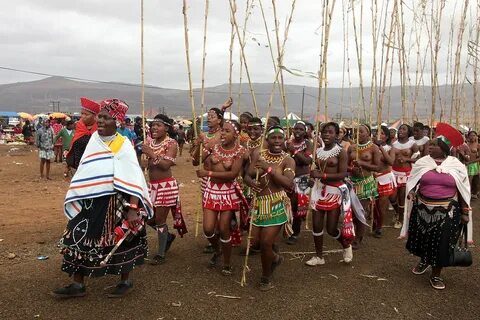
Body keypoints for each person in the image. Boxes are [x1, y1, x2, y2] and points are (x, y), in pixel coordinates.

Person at [53, 99, 153, 299]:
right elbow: (85, 170)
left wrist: (133, 208)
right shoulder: (93, 141)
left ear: (117, 121)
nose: (100, 120)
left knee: (122, 239)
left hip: (116, 202)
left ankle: (125, 281)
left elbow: (133, 176)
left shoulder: (123, 144)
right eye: (100, 116)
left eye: (106, 117)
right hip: (88, 200)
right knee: (78, 236)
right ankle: (77, 284)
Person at [400, 124, 470, 290]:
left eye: (434, 145)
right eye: (430, 145)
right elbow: (413, 180)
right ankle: (424, 261)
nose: (429, 147)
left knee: (442, 244)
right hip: (422, 209)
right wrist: (412, 192)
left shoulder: (457, 165)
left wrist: (465, 211)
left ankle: (436, 274)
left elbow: (463, 189)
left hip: (447, 211)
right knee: (424, 239)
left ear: (443, 148)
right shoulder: (423, 162)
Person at [245, 125, 295, 290]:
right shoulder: (258, 154)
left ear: (284, 140)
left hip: (276, 204)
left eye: (280, 138)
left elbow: (288, 184)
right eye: (273, 138)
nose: (277, 141)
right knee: (256, 242)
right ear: (267, 139)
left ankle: (265, 277)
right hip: (259, 204)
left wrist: (269, 169)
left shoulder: (288, 159)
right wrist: (250, 182)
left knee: (266, 242)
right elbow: (247, 175)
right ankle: (275, 259)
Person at [194, 119, 247, 276]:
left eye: (227, 131)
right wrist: (198, 146)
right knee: (208, 229)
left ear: (235, 135)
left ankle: (227, 263)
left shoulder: (240, 151)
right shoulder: (213, 147)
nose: (223, 133)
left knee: (224, 228)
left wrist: (208, 173)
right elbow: (197, 161)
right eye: (222, 130)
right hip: (212, 191)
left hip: (227, 193)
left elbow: (232, 174)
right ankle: (218, 251)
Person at [306, 122, 353, 266]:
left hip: (334, 192)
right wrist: (312, 179)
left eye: (330, 132)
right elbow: (314, 171)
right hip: (318, 191)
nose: (326, 135)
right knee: (316, 225)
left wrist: (323, 176)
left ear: (337, 134)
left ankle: (346, 245)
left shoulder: (341, 152)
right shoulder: (318, 151)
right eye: (324, 132)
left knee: (331, 229)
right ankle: (319, 257)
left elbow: (343, 174)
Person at [142, 114, 187, 265]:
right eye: (153, 125)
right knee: (147, 218)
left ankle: (161, 254)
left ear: (166, 128)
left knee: (160, 220)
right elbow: (144, 165)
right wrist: (141, 159)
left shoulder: (172, 143)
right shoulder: (149, 142)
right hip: (151, 187)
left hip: (166, 186)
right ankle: (167, 237)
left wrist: (151, 154)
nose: (154, 127)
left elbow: (166, 165)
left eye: (158, 125)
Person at [348, 124, 380, 248]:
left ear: (368, 133)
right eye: (356, 132)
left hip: (366, 183)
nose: (358, 134)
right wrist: (351, 168)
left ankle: (358, 238)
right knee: (351, 211)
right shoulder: (351, 147)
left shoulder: (374, 148)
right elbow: (345, 165)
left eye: (361, 131)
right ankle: (354, 231)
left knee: (360, 211)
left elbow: (377, 167)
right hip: (352, 183)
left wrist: (362, 163)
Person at [285, 121, 313, 245]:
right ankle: (287, 229)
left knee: (297, 207)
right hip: (288, 178)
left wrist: (295, 152)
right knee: (287, 205)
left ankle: (295, 233)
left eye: (301, 129)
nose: (297, 131)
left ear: (305, 132)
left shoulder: (308, 143)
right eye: (296, 129)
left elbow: (307, 161)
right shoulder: (287, 143)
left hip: (302, 178)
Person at [392, 124, 420, 228]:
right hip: (394, 173)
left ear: (408, 132)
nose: (400, 130)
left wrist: (407, 159)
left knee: (401, 196)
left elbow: (418, 160)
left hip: (406, 173)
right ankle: (397, 212)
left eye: (404, 129)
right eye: (400, 128)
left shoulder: (413, 144)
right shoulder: (394, 144)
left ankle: (400, 219)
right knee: (392, 197)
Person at [373, 126, 397, 238]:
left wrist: (381, 147)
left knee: (382, 206)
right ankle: (374, 222)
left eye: (382, 133)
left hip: (385, 179)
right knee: (372, 206)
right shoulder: (370, 147)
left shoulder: (390, 148)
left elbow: (391, 161)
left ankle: (379, 227)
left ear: (387, 136)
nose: (379, 135)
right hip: (372, 179)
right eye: (377, 133)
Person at [66, 97, 100, 170]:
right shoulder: (79, 127)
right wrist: (68, 163)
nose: (83, 116)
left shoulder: (100, 130)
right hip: (77, 166)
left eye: (86, 114)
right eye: (82, 113)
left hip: (94, 167)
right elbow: (73, 146)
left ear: (94, 116)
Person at [466, 131, 479, 198]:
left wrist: (471, 162)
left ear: (476, 136)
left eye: (474, 135)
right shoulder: (466, 144)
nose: (472, 137)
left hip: (474, 165)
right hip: (467, 164)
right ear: (468, 136)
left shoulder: (478, 145)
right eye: (471, 135)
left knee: (474, 181)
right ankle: (469, 193)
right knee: (469, 180)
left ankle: (474, 193)